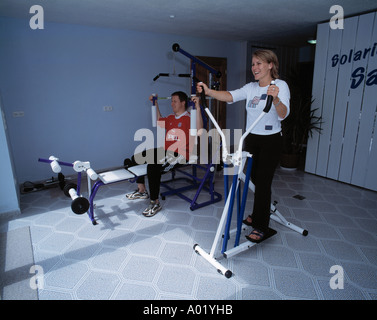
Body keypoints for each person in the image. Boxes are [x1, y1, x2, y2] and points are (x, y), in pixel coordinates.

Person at [197, 49, 290, 242]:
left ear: (270, 65)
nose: (254, 68)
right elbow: (230, 96)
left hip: (271, 140)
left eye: (259, 63)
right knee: (253, 180)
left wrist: (277, 99)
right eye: (253, 64)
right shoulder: (251, 88)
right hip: (251, 138)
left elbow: (283, 114)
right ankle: (258, 214)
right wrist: (208, 91)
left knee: (263, 183)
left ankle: (261, 226)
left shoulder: (280, 85)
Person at [125, 91, 203, 217]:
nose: (172, 104)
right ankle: (142, 190)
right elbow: (158, 121)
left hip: (180, 154)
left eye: (175, 101)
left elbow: (199, 130)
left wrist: (198, 107)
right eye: (171, 101)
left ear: (183, 102)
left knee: (153, 166)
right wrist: (155, 103)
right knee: (137, 157)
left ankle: (155, 202)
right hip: (165, 151)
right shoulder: (171, 118)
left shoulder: (189, 118)